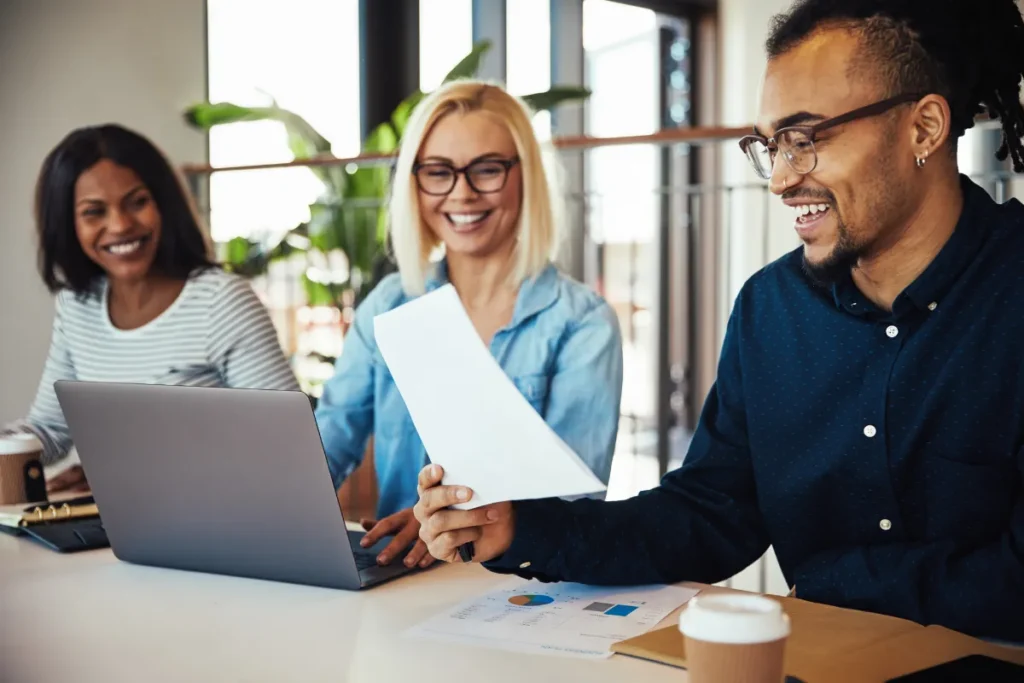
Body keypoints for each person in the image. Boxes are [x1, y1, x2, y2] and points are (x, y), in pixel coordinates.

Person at [413, 0, 1024, 642]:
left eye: (805, 140)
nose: (780, 180)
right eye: (772, 146)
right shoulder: (771, 309)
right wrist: (520, 529)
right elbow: (709, 513)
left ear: (923, 128)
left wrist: (832, 586)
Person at [314, 80, 623, 571]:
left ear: (525, 176)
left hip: (517, 586)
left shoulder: (581, 324)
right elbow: (328, 442)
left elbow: (572, 506)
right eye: (438, 172)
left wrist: (453, 523)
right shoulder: (388, 305)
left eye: (486, 169)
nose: (462, 193)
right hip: (399, 575)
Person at [1, 124, 301, 492]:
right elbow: (49, 430)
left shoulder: (220, 301)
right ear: (67, 224)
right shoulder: (77, 306)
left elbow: (288, 444)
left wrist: (131, 475)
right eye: (94, 212)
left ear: (163, 204)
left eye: (137, 202)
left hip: (218, 515)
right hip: (113, 520)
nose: (120, 225)